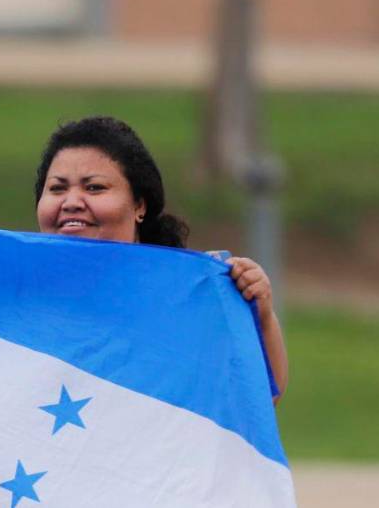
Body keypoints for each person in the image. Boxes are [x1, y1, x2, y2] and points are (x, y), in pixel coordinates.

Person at [33, 116, 288, 399]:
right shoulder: (12, 296)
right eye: (57, 188)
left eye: (94, 187)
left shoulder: (190, 295)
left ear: (139, 205)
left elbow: (255, 400)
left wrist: (261, 316)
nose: (71, 202)